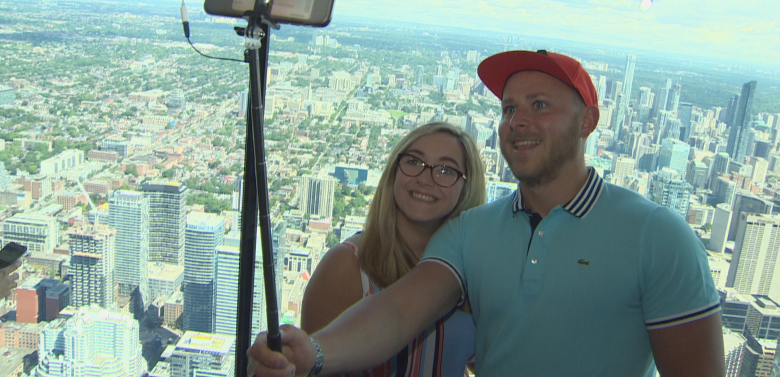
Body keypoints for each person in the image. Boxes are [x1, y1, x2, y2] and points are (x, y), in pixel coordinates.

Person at [249, 50, 724, 377]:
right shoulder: (470, 232)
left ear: (588, 121)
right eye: (509, 108)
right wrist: (313, 351)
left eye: (540, 105)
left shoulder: (657, 236)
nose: (517, 121)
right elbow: (398, 312)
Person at [264, 122, 486, 377]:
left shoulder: (473, 270)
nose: (425, 178)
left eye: (446, 170)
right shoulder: (346, 267)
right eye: (414, 162)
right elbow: (312, 366)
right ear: (394, 172)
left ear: (466, 188)